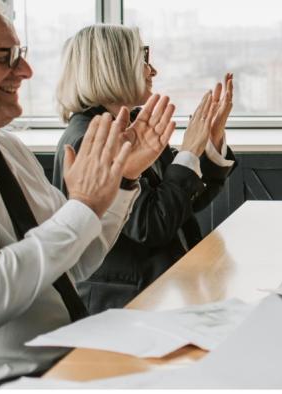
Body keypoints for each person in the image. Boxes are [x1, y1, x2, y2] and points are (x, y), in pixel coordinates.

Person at [0, 0, 176, 388]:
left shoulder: (8, 148)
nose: (26, 70)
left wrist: (123, 182)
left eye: (21, 53)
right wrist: (81, 205)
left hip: (70, 360)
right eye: (4, 57)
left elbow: (75, 261)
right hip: (7, 381)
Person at [53, 24, 236, 313]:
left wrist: (207, 143)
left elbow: (185, 201)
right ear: (114, 67)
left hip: (166, 291)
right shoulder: (89, 137)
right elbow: (151, 225)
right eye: (143, 60)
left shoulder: (134, 122)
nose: (152, 71)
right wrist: (189, 151)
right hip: (126, 306)